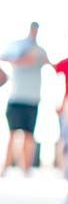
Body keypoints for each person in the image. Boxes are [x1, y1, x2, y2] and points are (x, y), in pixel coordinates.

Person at [1, 22, 49, 176]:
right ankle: (5, 168)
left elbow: (49, 64)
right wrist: (22, 58)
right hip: (16, 97)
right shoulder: (17, 46)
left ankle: (26, 170)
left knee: (29, 135)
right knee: (12, 133)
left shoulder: (41, 51)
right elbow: (5, 57)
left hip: (33, 99)